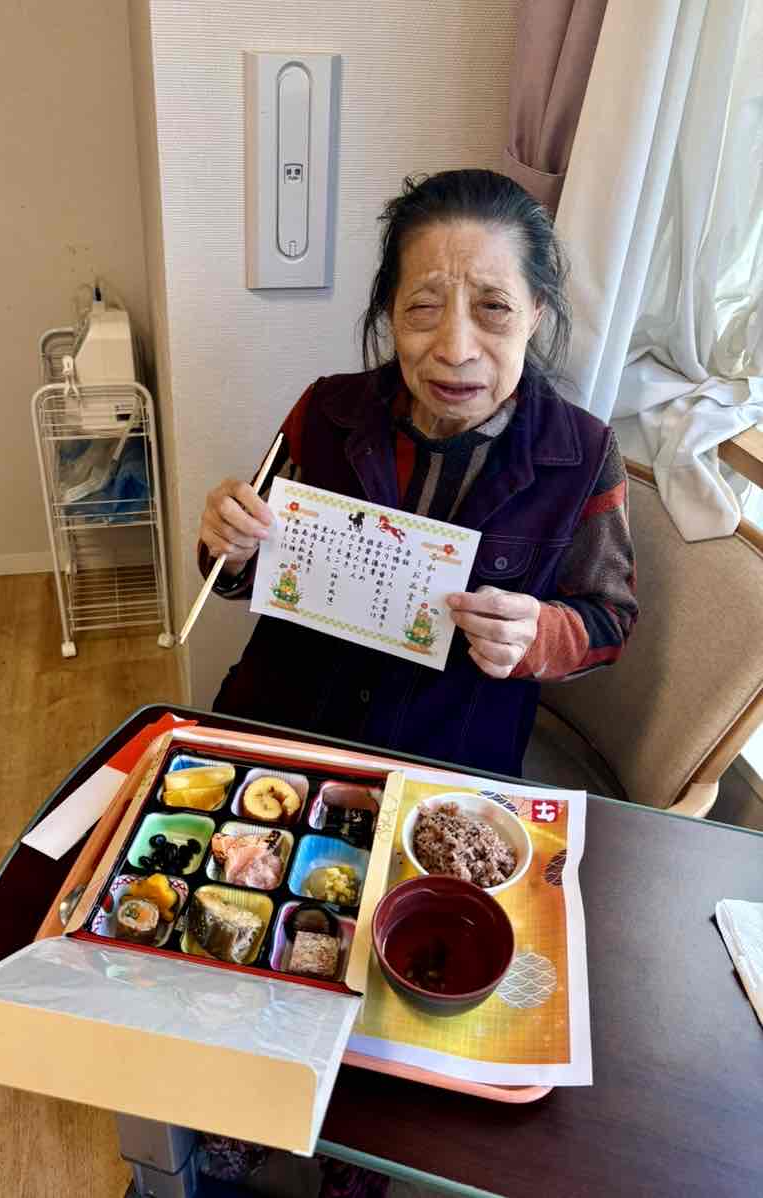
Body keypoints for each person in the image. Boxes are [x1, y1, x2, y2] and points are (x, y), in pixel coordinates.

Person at [199, 169, 638, 779]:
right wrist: (230, 547)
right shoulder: (325, 411)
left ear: (536, 313)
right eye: (424, 308)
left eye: (494, 308)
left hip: (443, 768)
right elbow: (243, 572)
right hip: (285, 730)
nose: (456, 349)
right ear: (391, 313)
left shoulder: (584, 456)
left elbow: (609, 620)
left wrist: (537, 633)